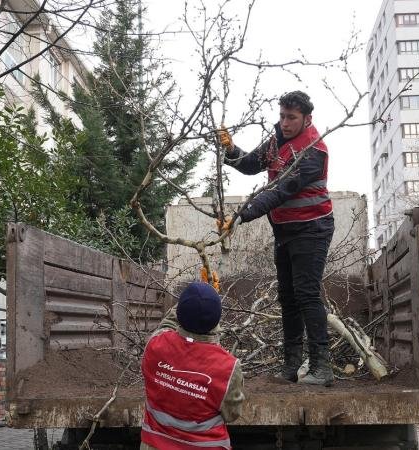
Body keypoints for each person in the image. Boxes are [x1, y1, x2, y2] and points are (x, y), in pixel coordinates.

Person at [217, 91, 334, 386]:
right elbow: (249, 163)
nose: (284, 123)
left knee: (306, 293)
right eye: (282, 116)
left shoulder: (313, 151)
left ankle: (323, 367)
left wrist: (241, 216)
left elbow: (281, 190)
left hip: (313, 228)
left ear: (307, 119)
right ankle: (291, 366)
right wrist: (230, 149)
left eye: (291, 118)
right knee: (288, 298)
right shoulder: (275, 144)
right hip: (285, 231)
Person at [140, 282, 245, 450]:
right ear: (216, 318)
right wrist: (207, 302)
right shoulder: (228, 367)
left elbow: (168, 324)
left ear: (181, 311)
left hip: (154, 444)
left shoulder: (155, 345)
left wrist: (194, 301)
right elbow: (232, 414)